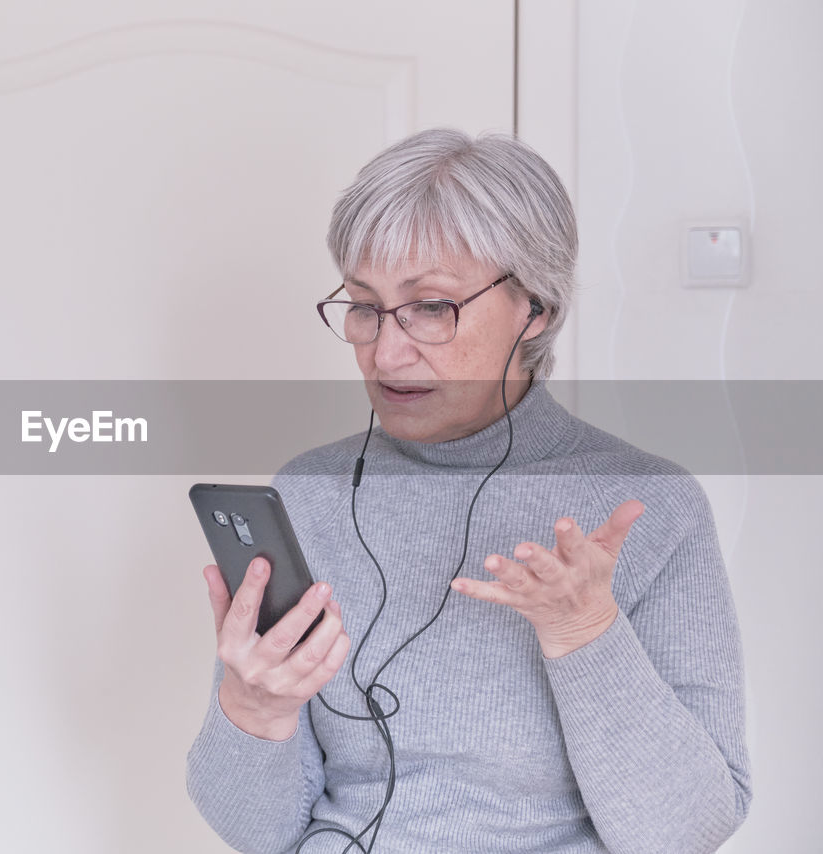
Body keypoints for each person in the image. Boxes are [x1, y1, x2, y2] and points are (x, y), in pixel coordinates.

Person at [185, 128, 751, 853]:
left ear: (535, 308)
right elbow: (257, 834)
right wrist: (253, 708)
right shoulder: (311, 494)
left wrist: (584, 632)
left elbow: (685, 833)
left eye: (432, 307)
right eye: (363, 305)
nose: (387, 352)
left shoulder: (648, 506)